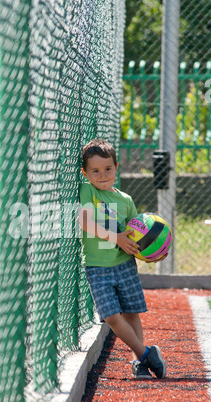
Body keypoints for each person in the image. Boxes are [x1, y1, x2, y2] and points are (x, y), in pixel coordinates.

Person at [79, 139, 166, 379]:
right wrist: (115, 238)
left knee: (130, 312)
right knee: (111, 316)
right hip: (97, 267)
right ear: (84, 173)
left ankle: (141, 363)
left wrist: (148, 252)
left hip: (124, 264)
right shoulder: (88, 190)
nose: (102, 175)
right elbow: (84, 222)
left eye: (108, 169)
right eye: (95, 171)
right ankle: (145, 353)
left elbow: (135, 234)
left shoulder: (125, 200)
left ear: (116, 167)